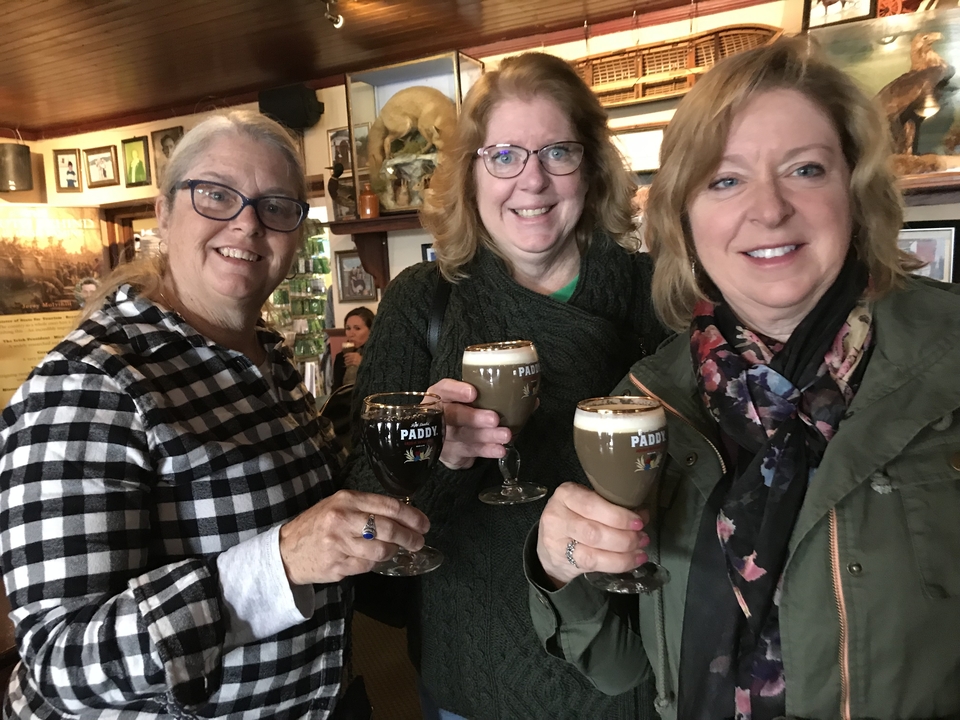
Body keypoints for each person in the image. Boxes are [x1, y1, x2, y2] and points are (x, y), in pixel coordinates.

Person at [530, 37, 960, 719]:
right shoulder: (650, 398)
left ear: (855, 189)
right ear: (684, 216)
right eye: (725, 180)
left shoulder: (949, 358)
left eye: (806, 169)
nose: (768, 209)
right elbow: (620, 672)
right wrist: (559, 567)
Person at [0, 110, 429, 719]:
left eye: (275, 205)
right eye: (216, 195)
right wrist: (278, 566)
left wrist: (421, 455)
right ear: (164, 213)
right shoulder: (90, 382)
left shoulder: (267, 356)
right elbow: (62, 663)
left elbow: (327, 525)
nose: (248, 224)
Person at [346, 52, 667, 719]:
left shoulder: (654, 293)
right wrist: (440, 459)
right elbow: (368, 511)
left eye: (558, 151)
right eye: (503, 156)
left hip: (624, 672)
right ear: (469, 172)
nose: (532, 180)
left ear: (594, 166)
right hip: (476, 673)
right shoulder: (422, 301)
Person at [333, 306, 374, 389]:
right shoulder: (341, 357)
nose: (351, 334)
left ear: (371, 330)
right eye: (348, 328)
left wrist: (363, 364)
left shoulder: (378, 354)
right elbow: (336, 390)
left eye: (357, 328)